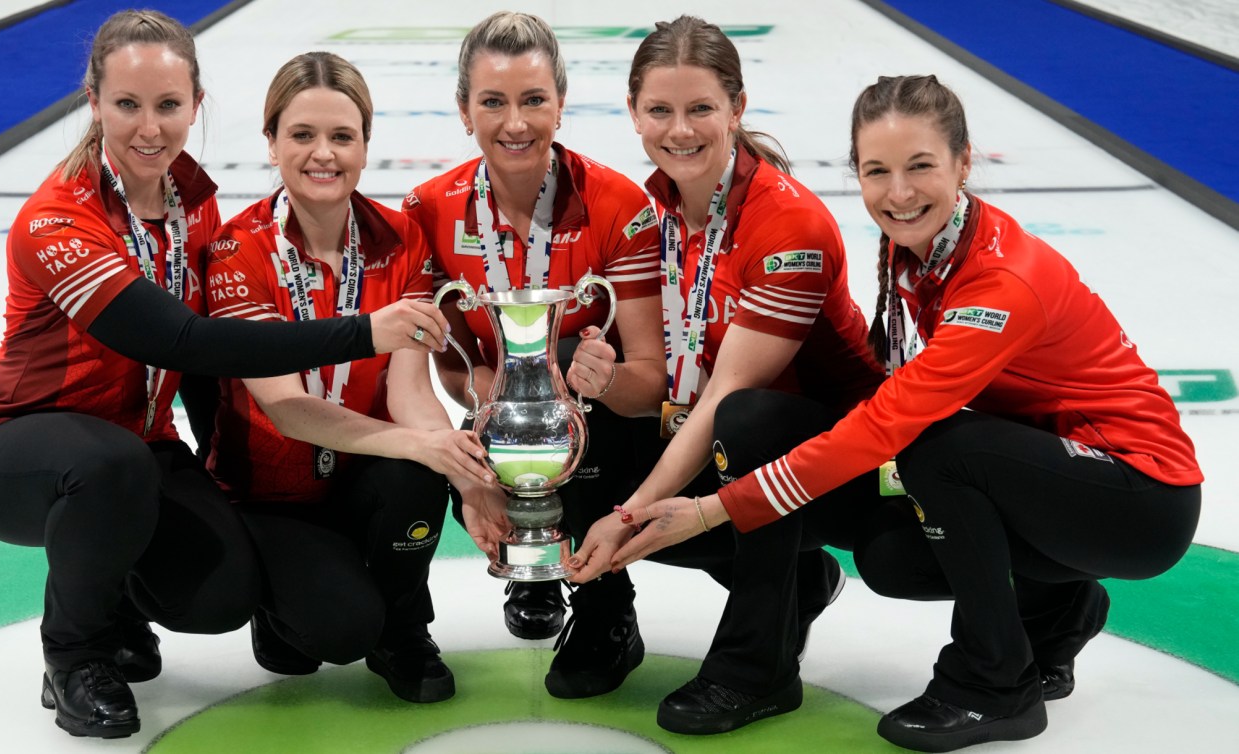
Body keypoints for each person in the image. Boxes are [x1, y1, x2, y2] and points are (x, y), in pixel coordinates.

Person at [594, 74, 1203, 752]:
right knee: (889, 554)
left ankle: (994, 683)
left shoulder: (1000, 280)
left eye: (921, 167)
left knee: (938, 448)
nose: (899, 193)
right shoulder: (914, 245)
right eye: (877, 171)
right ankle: (1055, 608)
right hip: (1047, 478)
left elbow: (892, 423)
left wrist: (713, 508)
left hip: (1138, 497)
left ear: (963, 163)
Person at [0, 11, 448, 740]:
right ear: (93, 102)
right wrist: (364, 331)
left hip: (140, 450)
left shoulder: (193, 205)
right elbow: (184, 339)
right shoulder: (58, 220)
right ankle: (74, 657)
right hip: (17, 450)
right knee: (107, 464)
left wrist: (221, 478)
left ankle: (114, 595)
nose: (149, 127)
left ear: (195, 105)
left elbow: (200, 375)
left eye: (167, 105)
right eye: (127, 104)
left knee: (219, 597)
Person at [567, 16, 886, 736]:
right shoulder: (644, 210)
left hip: (839, 464)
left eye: (700, 108)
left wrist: (627, 517)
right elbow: (659, 381)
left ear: (737, 109)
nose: (679, 130)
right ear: (632, 112)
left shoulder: (786, 226)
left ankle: (758, 669)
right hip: (715, 442)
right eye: (659, 110)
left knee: (748, 421)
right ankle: (606, 622)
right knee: (573, 411)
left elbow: (723, 400)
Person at [204, 51, 493, 705]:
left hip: (357, 479)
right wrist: (422, 445)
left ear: (365, 144)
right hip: (266, 498)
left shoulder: (402, 239)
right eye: (302, 135)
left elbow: (410, 391)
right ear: (271, 143)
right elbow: (287, 409)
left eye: (342, 136)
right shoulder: (236, 250)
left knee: (420, 467)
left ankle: (404, 628)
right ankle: (281, 598)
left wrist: (458, 468)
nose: (323, 154)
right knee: (333, 632)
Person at [401, 11, 668, 698]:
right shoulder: (428, 209)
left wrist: (602, 383)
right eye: (492, 101)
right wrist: (480, 387)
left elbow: (648, 382)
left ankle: (607, 614)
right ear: (464, 110)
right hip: (510, 430)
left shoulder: (618, 205)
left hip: (603, 427)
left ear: (561, 101)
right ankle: (531, 566)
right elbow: (449, 363)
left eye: (532, 100)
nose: (514, 122)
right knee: (469, 447)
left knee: (581, 433)